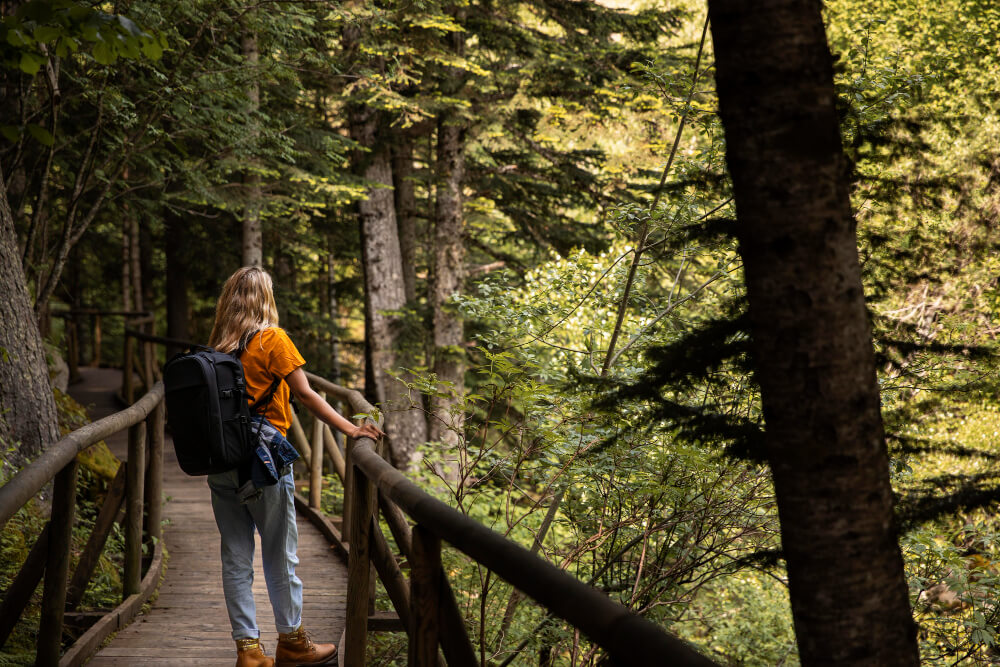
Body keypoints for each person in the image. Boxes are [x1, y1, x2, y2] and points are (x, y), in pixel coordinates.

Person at [207, 266, 383, 667]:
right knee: (279, 553)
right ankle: (292, 642)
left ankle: (248, 652)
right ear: (266, 298)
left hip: (222, 463)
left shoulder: (217, 348)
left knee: (235, 555)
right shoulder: (272, 339)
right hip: (263, 463)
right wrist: (351, 429)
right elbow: (305, 395)